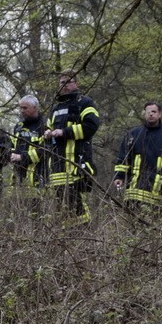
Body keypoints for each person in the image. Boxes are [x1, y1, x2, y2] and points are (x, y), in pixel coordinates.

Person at [44, 71, 100, 224]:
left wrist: (64, 132)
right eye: (62, 82)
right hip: (57, 169)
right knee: (62, 212)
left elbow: (91, 126)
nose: (65, 85)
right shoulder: (55, 109)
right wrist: (48, 134)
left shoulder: (85, 103)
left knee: (79, 210)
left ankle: (86, 239)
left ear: (76, 83)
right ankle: (68, 243)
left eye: (69, 82)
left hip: (77, 166)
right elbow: (46, 133)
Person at [111, 101, 162, 207]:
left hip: (157, 190)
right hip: (133, 190)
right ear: (144, 114)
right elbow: (123, 158)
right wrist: (119, 177)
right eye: (148, 112)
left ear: (160, 114)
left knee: (155, 219)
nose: (150, 114)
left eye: (153, 111)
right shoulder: (132, 135)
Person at [9, 95, 46, 190]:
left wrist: (22, 157)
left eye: (25, 108)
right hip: (18, 178)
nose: (22, 111)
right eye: (20, 108)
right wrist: (11, 154)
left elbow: (46, 151)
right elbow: (11, 145)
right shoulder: (18, 126)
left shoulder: (44, 125)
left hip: (39, 177)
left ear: (35, 108)